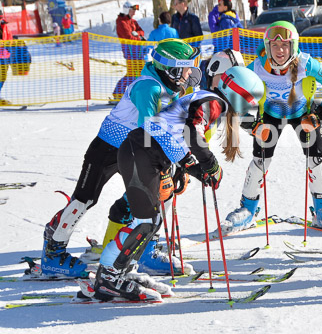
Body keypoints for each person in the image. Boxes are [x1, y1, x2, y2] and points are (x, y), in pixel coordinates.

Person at [92, 65, 264, 301]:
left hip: (144, 155)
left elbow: (178, 139)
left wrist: (196, 171)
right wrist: (210, 165)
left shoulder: (209, 99)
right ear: (238, 94)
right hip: (140, 154)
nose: (250, 107)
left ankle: (122, 269)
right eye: (251, 100)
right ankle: (109, 276)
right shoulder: (214, 102)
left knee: (151, 221)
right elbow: (191, 133)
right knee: (145, 222)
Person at [41, 39, 201, 279]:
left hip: (136, 151)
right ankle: (53, 254)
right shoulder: (149, 87)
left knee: (159, 194)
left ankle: (146, 250)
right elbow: (150, 130)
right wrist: (180, 159)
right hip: (108, 148)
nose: (190, 73)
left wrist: (174, 165)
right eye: (187, 67)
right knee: (84, 200)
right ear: (171, 68)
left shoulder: (171, 87)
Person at [221, 21, 322, 234]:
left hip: (303, 115)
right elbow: (235, 98)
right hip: (271, 115)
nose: (280, 51)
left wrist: (319, 116)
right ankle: (248, 210)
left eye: (285, 45)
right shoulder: (257, 67)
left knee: (316, 158)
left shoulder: (306, 64)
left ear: (294, 46)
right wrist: (252, 126)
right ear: (267, 47)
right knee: (260, 160)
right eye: (275, 46)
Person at [113, 1, 146, 102]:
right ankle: (118, 93)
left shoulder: (133, 21)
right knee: (131, 74)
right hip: (130, 52)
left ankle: (137, 93)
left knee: (141, 73)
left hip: (138, 51)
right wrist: (139, 37)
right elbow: (129, 37)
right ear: (127, 10)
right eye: (132, 10)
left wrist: (138, 34)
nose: (134, 13)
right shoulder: (121, 22)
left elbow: (141, 31)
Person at [0, 13, 13, 106]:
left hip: (4, 56)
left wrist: (9, 46)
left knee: (3, 77)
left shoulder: (5, 27)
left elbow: (10, 38)